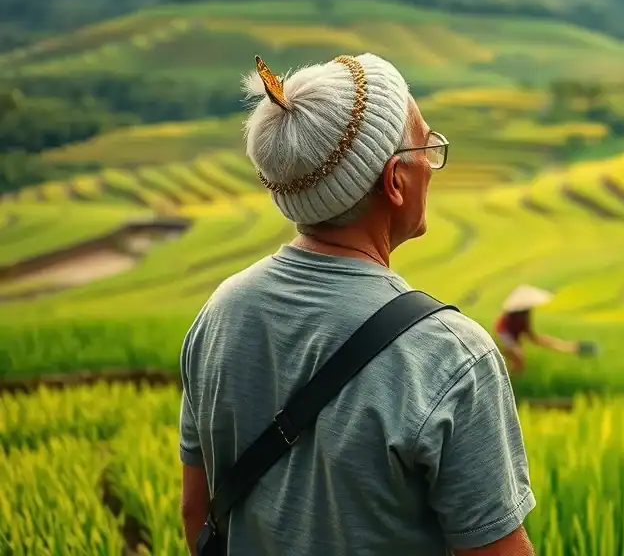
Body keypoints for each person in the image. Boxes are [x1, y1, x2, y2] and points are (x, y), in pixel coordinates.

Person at [177, 53, 536, 555]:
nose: (432, 167)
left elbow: (197, 512)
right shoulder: (450, 356)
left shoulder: (219, 314)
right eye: (426, 147)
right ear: (394, 181)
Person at [494, 285, 579, 374]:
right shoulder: (510, 316)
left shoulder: (525, 314)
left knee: (516, 364)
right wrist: (512, 347)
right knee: (518, 359)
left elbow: (530, 334)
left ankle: (509, 381)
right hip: (504, 336)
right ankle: (505, 381)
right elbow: (502, 330)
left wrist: (558, 344)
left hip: (511, 338)